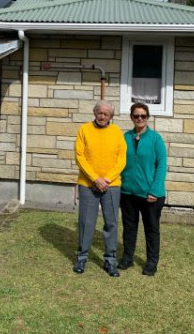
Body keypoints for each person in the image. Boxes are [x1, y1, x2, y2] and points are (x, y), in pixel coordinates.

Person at [73, 100, 127, 276]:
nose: (102, 116)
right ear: (95, 113)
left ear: (111, 116)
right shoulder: (84, 130)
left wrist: (107, 179)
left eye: (106, 113)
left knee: (111, 222)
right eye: (99, 112)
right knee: (86, 222)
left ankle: (110, 260)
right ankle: (82, 258)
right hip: (88, 184)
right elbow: (80, 156)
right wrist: (95, 179)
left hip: (112, 186)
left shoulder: (117, 132)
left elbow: (121, 159)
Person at [118, 102, 167, 276]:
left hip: (150, 194)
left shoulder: (155, 139)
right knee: (129, 227)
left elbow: (161, 166)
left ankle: (151, 262)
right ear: (131, 117)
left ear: (147, 118)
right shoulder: (125, 137)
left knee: (151, 229)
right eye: (136, 116)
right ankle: (127, 258)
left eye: (143, 116)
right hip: (128, 192)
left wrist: (154, 190)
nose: (140, 118)